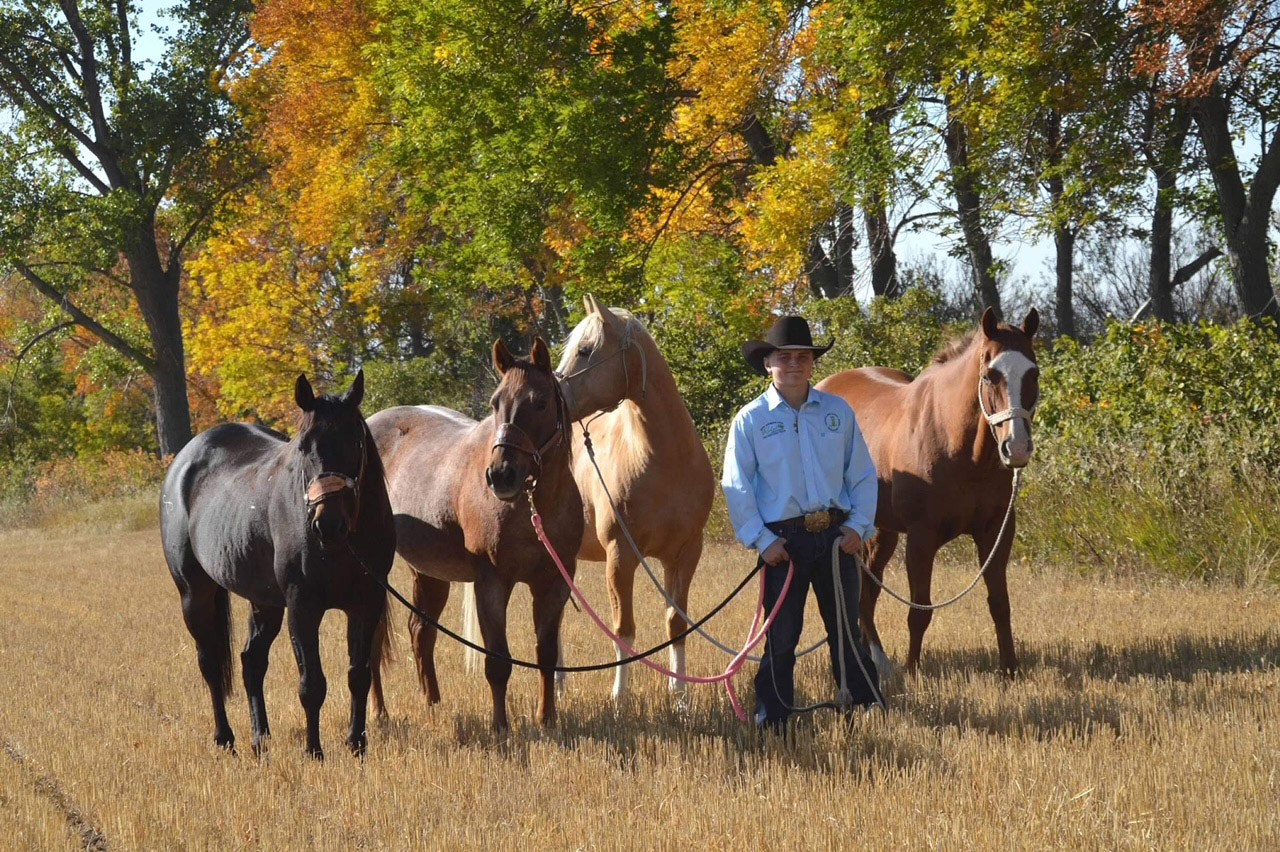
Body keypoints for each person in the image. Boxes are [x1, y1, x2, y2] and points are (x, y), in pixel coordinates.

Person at [721, 315, 883, 730]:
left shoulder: (837, 412)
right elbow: (736, 485)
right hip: (783, 544)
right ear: (768, 364)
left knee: (847, 631)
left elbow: (862, 473)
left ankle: (865, 707)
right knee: (782, 637)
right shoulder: (750, 420)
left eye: (803, 357)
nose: (794, 364)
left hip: (835, 538)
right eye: (784, 357)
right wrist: (761, 540)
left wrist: (858, 526)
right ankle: (772, 718)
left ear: (813, 363)